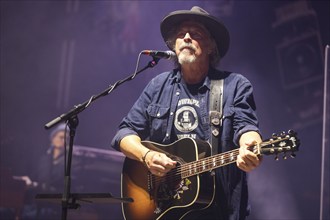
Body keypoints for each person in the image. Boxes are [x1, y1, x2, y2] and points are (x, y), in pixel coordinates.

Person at [112, 6, 262, 220]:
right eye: (181, 34)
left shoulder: (234, 85)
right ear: (174, 45)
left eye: (196, 34)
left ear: (211, 47)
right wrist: (147, 156)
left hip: (218, 211)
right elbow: (124, 134)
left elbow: (247, 129)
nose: (187, 38)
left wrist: (251, 147)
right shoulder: (158, 86)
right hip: (166, 210)